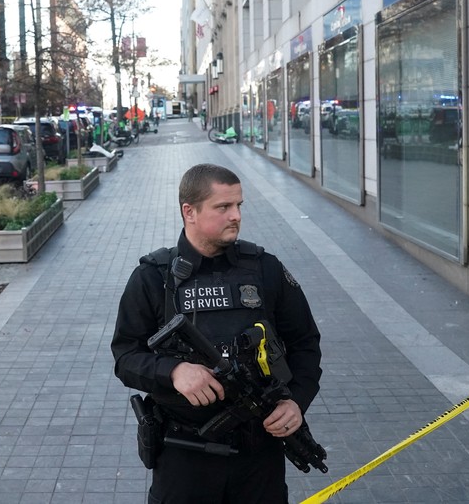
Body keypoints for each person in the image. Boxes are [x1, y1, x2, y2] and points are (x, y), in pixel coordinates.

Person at [111, 163, 322, 504]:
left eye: (239, 205)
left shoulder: (265, 269)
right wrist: (173, 371)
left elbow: (305, 343)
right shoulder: (153, 278)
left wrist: (296, 401)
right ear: (189, 211)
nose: (235, 215)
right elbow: (125, 357)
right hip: (184, 455)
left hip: (258, 451)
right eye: (223, 207)